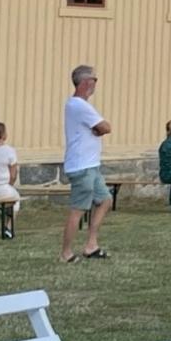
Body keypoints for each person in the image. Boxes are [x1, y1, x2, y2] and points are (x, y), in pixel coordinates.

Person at [60, 64, 113, 263]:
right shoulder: (78, 105)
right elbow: (105, 127)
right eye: (94, 80)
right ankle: (65, 253)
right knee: (78, 209)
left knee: (105, 200)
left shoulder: (82, 105)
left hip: (91, 164)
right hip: (81, 166)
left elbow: (100, 128)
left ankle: (91, 244)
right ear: (84, 82)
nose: (95, 84)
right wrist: (99, 129)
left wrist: (98, 130)